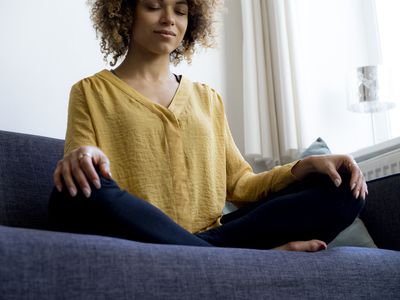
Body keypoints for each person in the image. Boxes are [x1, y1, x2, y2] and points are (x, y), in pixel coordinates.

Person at [49, 0, 367, 252]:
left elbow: (242, 186)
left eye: (181, 10)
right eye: (153, 6)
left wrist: (304, 166)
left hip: (216, 233)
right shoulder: (90, 91)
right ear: (125, 12)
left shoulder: (208, 98)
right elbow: (80, 160)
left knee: (344, 191)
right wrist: (84, 155)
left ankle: (205, 253)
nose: (168, 19)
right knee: (75, 194)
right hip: (135, 236)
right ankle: (235, 258)